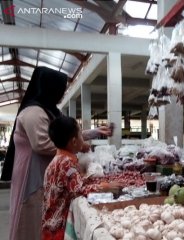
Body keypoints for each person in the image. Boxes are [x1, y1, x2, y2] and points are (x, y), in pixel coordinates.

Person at [1, 66, 113, 240]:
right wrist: (101, 185)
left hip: (46, 170)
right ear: (51, 88)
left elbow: (69, 134)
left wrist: (95, 132)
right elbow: (42, 144)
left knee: (46, 212)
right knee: (31, 215)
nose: (63, 93)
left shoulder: (50, 110)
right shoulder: (33, 112)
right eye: (61, 89)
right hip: (32, 173)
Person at [42, 116, 120, 240]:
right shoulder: (67, 163)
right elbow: (78, 190)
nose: (83, 138)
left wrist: (88, 178)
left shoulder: (56, 161)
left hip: (49, 225)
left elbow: (69, 185)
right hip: (59, 228)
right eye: (81, 135)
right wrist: (104, 187)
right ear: (74, 142)